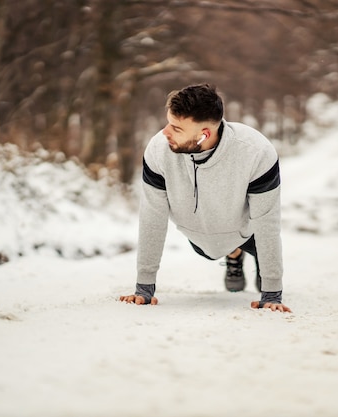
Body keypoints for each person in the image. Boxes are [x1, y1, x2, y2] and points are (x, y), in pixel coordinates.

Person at [119, 84, 291, 313]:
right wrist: (144, 288)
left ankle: (241, 251)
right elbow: (152, 217)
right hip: (199, 233)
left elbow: (267, 222)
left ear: (204, 135)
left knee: (260, 257)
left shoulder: (256, 152)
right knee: (207, 251)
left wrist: (272, 292)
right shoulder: (158, 151)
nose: (165, 133)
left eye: (176, 128)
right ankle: (233, 253)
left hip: (246, 230)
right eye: (168, 122)